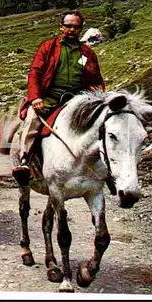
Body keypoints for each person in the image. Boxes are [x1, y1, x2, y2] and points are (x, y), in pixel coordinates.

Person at [12, 10, 105, 183]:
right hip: (49, 98)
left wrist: (99, 97)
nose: (72, 30)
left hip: (78, 101)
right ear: (61, 27)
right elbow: (35, 73)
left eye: (76, 27)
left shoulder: (88, 53)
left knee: (103, 124)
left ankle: (106, 168)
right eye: (68, 26)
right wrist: (35, 98)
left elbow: (96, 79)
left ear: (80, 29)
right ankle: (25, 161)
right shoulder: (48, 47)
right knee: (32, 120)